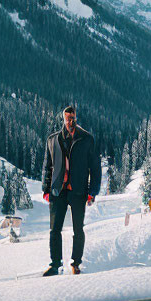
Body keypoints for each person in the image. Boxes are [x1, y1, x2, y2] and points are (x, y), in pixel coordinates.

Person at [41, 105, 101, 275]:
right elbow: (47, 166)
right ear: (63, 119)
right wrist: (45, 189)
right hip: (58, 191)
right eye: (67, 118)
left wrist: (92, 192)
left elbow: (95, 168)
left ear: (76, 118)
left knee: (78, 230)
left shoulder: (87, 139)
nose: (70, 121)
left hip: (78, 191)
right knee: (54, 230)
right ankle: (55, 264)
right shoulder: (53, 140)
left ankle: (76, 263)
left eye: (72, 117)